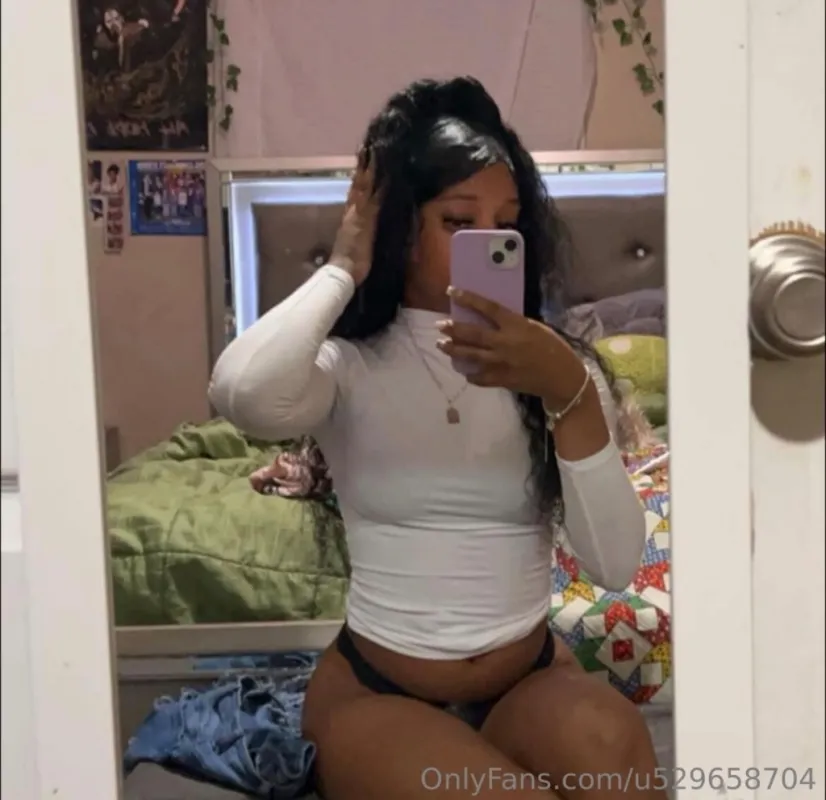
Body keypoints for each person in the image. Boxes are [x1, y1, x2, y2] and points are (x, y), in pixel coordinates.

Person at [209, 77, 660, 799]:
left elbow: (613, 565)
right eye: (458, 221)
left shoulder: (553, 369)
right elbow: (240, 393)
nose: (489, 242)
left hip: (527, 680)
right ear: (399, 229)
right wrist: (343, 266)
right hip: (377, 690)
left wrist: (569, 393)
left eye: (505, 223)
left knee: (618, 755)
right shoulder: (349, 366)